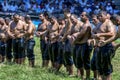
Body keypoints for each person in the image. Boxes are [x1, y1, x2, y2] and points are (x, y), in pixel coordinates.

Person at [92, 11, 116, 80]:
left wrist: (100, 34)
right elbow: (94, 30)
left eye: (101, 16)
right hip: (99, 46)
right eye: (98, 16)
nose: (99, 17)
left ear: (105, 16)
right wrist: (93, 34)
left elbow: (112, 33)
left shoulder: (108, 23)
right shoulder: (99, 23)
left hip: (107, 46)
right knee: (99, 64)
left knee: (106, 65)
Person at [71, 12, 92, 79]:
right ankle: (82, 76)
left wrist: (74, 41)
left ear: (87, 17)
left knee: (86, 62)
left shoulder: (87, 25)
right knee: (79, 61)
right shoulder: (83, 25)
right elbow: (79, 33)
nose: (81, 16)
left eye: (82, 15)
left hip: (85, 45)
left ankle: (87, 77)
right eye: (81, 15)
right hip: (80, 45)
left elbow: (80, 35)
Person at [61, 10, 74, 76]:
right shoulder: (67, 21)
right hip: (66, 39)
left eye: (66, 14)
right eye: (64, 14)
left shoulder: (69, 20)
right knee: (66, 55)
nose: (65, 15)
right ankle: (69, 72)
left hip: (68, 40)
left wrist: (63, 38)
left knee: (68, 56)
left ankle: (71, 73)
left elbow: (68, 30)